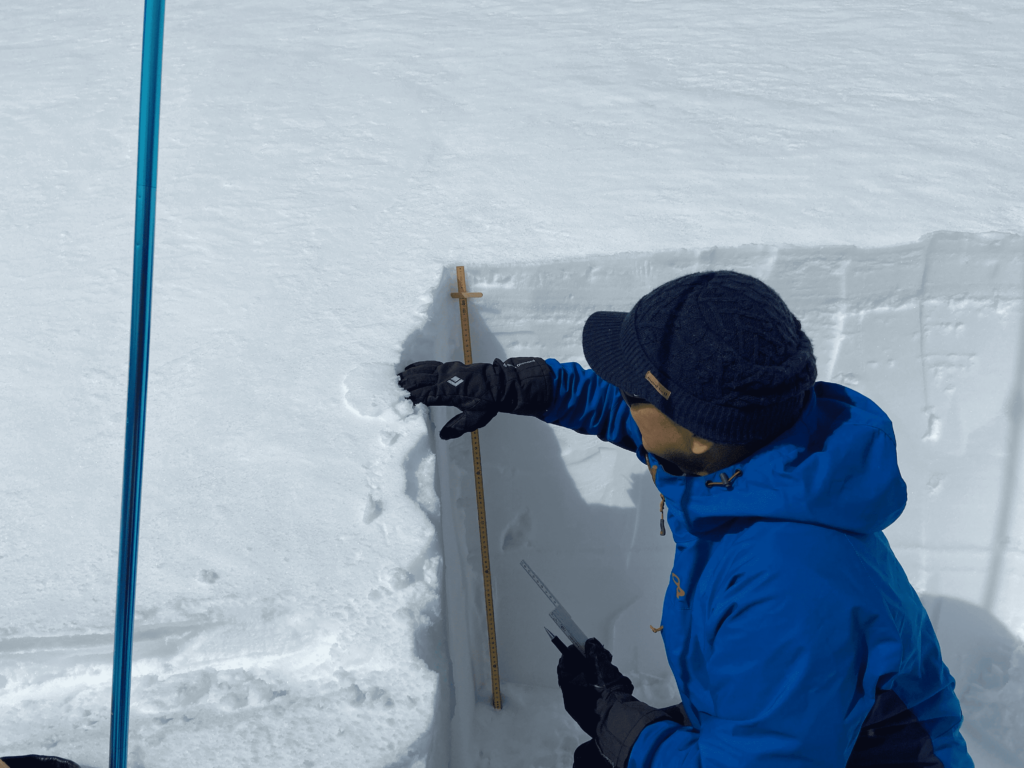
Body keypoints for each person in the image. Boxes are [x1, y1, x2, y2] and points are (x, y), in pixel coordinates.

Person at [399, 270, 973, 768]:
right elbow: (637, 414)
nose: (621, 396)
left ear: (700, 433)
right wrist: (530, 386)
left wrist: (616, 722)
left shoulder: (790, 593)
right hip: (794, 728)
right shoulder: (759, 452)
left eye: (633, 392)